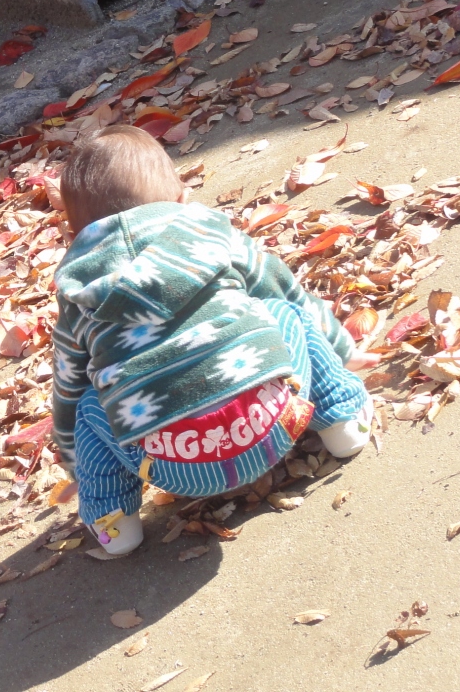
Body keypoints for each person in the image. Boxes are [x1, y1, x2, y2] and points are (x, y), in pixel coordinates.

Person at [52, 126, 376, 556]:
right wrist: (341, 348)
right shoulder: (208, 232)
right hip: (271, 426)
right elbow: (284, 290)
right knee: (284, 311)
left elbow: (68, 385)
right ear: (182, 198)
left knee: (88, 405)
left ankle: (113, 524)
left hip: (172, 467)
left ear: (74, 234)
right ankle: (342, 420)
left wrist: (75, 460)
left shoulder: (78, 292)